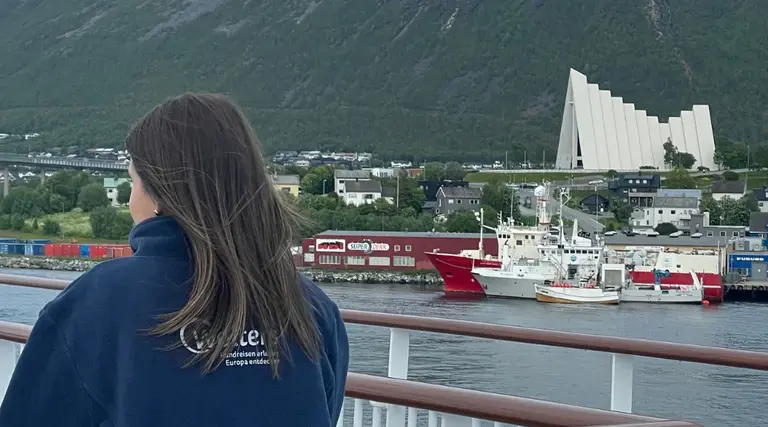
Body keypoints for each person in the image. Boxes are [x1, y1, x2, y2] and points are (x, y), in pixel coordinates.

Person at [0, 93, 349, 426]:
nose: (130, 202)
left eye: (133, 183)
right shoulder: (313, 310)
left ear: (159, 196)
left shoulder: (100, 302)